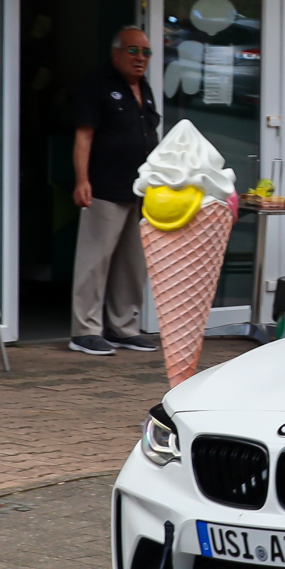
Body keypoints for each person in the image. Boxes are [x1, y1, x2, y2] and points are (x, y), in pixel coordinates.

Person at [68, 26, 163, 356]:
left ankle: (124, 328)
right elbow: (84, 136)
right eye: (134, 51)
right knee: (95, 261)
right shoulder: (97, 84)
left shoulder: (145, 89)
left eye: (146, 52)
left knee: (133, 263)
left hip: (141, 191)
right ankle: (85, 330)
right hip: (105, 187)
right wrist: (82, 180)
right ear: (117, 52)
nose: (141, 59)